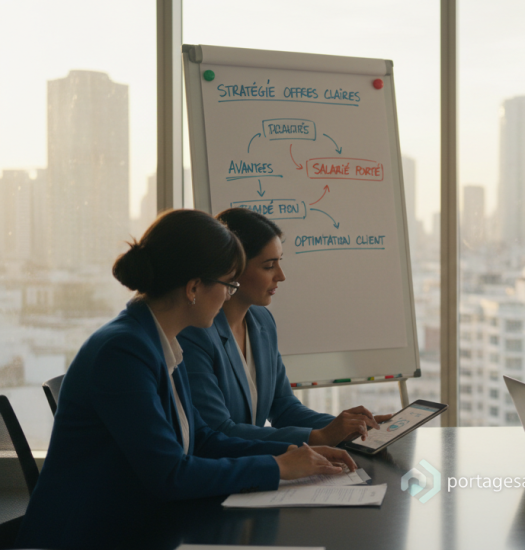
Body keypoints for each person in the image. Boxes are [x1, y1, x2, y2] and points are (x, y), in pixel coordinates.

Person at [17, 210, 356, 549]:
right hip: (88, 536)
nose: (228, 296)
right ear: (194, 287)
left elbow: (204, 439)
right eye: (228, 284)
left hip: (139, 522)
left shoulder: (158, 339)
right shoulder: (124, 351)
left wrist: (296, 454)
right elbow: (170, 474)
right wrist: (276, 467)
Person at [180, 208, 392, 446]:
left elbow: (283, 407)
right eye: (269, 266)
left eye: (280, 262)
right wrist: (319, 437)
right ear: (232, 269)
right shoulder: (195, 333)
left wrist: (350, 427)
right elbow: (217, 431)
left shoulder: (262, 321)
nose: (281, 275)